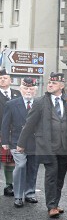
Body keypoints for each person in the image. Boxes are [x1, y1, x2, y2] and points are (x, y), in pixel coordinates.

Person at [17, 72, 67, 218]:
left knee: (60, 177)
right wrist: (21, 143)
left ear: (61, 85)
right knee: (51, 175)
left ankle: (56, 202)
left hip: (66, 147)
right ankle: (51, 206)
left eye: (53, 83)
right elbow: (29, 124)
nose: (50, 85)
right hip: (48, 146)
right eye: (49, 83)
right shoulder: (40, 102)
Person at [1, 77, 39, 207]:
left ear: (35, 90)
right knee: (21, 165)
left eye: (31, 89)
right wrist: (5, 141)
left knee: (33, 168)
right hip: (17, 142)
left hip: (35, 142)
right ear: (21, 89)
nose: (28, 91)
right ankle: (18, 195)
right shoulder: (11, 104)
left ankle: (30, 193)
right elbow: (5, 124)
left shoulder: (40, 104)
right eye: (26, 88)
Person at [0, 68, 22, 196]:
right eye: (0, 78)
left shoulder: (16, 93)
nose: (2, 80)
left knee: (10, 159)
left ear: (10, 80)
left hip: (13, 132)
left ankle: (9, 185)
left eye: (5, 78)